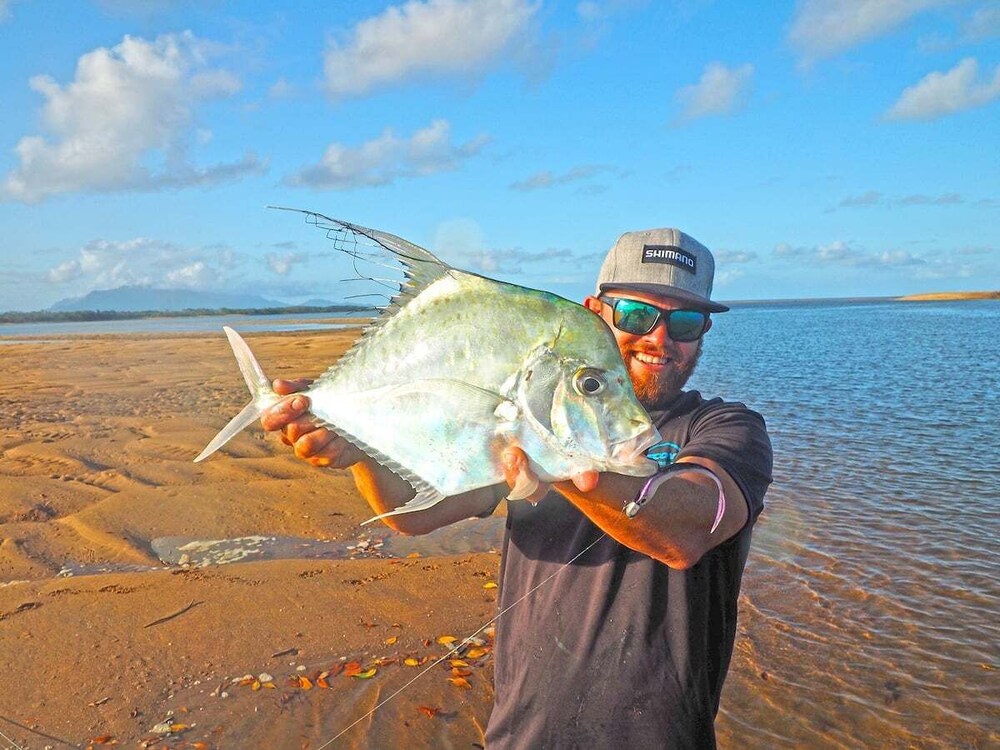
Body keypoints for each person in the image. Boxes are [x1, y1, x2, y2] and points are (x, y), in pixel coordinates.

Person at [261, 227, 772, 749]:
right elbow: (410, 516)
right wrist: (357, 453)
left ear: (703, 332)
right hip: (522, 735)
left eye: (685, 321)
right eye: (637, 315)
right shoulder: (536, 424)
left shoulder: (728, 429)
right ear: (595, 312)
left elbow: (686, 530)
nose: (660, 338)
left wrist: (560, 463)